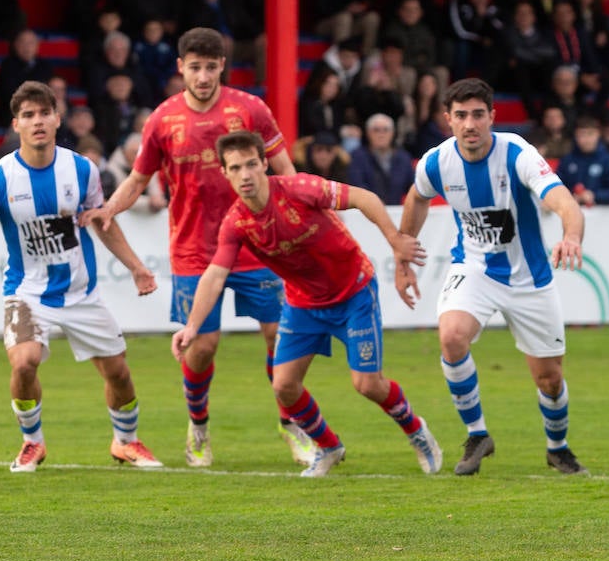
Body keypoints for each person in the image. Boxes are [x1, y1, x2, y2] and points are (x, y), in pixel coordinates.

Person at [0, 81, 162, 471]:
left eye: (44, 113)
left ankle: (126, 441)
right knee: (24, 362)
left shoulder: (82, 169)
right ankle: (32, 442)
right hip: (27, 293)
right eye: (28, 115)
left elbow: (102, 223)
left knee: (119, 372)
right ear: (16, 124)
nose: (37, 121)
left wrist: (137, 268)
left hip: (82, 293)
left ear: (58, 119)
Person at [83, 27, 312, 469]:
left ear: (222, 66)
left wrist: (301, 212)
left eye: (211, 67)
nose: (203, 76)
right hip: (193, 250)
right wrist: (109, 208)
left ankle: (291, 423)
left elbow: (283, 169)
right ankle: (199, 426)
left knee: (279, 336)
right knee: (202, 346)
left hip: (257, 244)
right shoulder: (162, 120)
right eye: (195, 67)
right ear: (180, 68)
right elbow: (138, 178)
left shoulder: (250, 109)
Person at [172, 130, 441, 477]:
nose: (245, 175)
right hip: (303, 305)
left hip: (353, 292)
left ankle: (416, 431)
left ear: (264, 163)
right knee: (283, 385)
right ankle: (329, 447)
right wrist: (191, 326)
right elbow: (213, 276)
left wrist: (395, 241)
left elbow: (364, 197)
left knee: (367, 385)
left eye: (251, 164)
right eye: (235, 168)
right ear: (224, 173)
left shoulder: (300, 189)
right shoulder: (236, 223)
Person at [394, 78, 589, 477]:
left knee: (550, 379)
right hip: (474, 269)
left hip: (529, 278)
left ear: (492, 118)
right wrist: (403, 253)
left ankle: (557, 448)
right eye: (461, 116)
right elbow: (417, 197)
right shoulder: (436, 161)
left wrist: (571, 234)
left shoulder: (517, 153)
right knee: (451, 336)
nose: (470, 124)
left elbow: (562, 199)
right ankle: (477, 434)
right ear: (448, 119)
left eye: (478, 115)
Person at [347, 113, 415, 205]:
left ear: (392, 133)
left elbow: (413, 187)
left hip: (396, 212)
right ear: (368, 133)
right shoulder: (358, 157)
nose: (381, 134)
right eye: (376, 130)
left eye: (385, 130)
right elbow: (357, 185)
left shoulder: (403, 158)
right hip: (366, 211)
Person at [556, 114, 609, 206]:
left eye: (590, 134)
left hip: (601, 216)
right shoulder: (567, 160)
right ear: (576, 136)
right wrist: (570, 197)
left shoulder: (608, 160)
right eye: (581, 135)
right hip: (571, 212)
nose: (586, 139)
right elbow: (557, 188)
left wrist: (594, 196)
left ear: (598, 134)